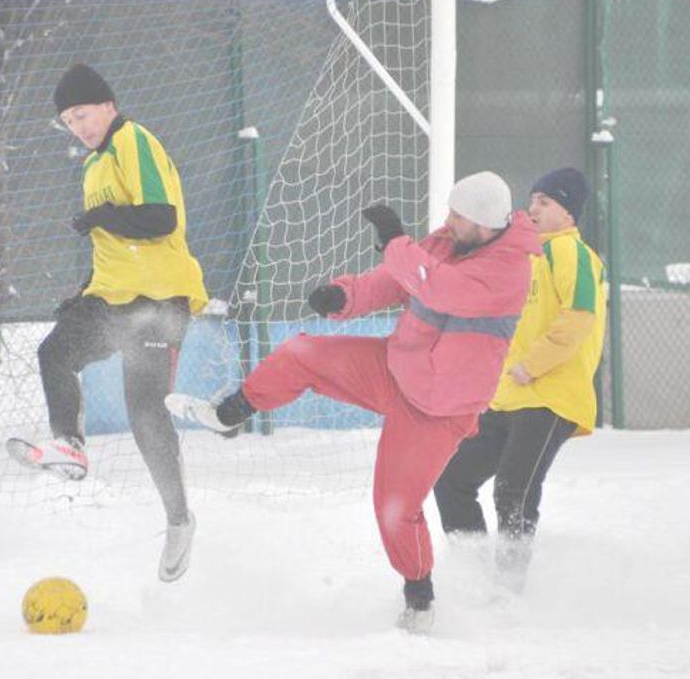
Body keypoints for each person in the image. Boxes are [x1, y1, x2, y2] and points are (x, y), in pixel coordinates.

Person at [167, 171, 541, 631]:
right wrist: (345, 295)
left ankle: (420, 600)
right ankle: (230, 414)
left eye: (457, 215)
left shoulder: (509, 269)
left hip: (437, 410)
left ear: (485, 224)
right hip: (396, 368)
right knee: (301, 353)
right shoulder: (448, 241)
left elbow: (436, 286)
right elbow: (395, 280)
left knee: (395, 509)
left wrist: (395, 241)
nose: (447, 220)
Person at [7, 64, 209, 583]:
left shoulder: (132, 140)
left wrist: (99, 218)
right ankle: (69, 447)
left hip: (159, 300)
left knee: (144, 413)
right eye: (69, 120)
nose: (78, 125)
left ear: (109, 107)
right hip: (113, 297)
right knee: (55, 352)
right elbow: (115, 244)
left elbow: (159, 218)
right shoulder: (94, 166)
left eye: (83, 113)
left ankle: (179, 518)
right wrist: (84, 290)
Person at [434, 168, 605, 591]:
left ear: (569, 213)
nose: (533, 208)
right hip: (507, 398)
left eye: (545, 202)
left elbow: (580, 315)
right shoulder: (525, 257)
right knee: (452, 481)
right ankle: (474, 579)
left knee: (514, 489)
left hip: (551, 396)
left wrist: (533, 365)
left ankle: (510, 592)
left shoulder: (571, 252)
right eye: (533, 200)